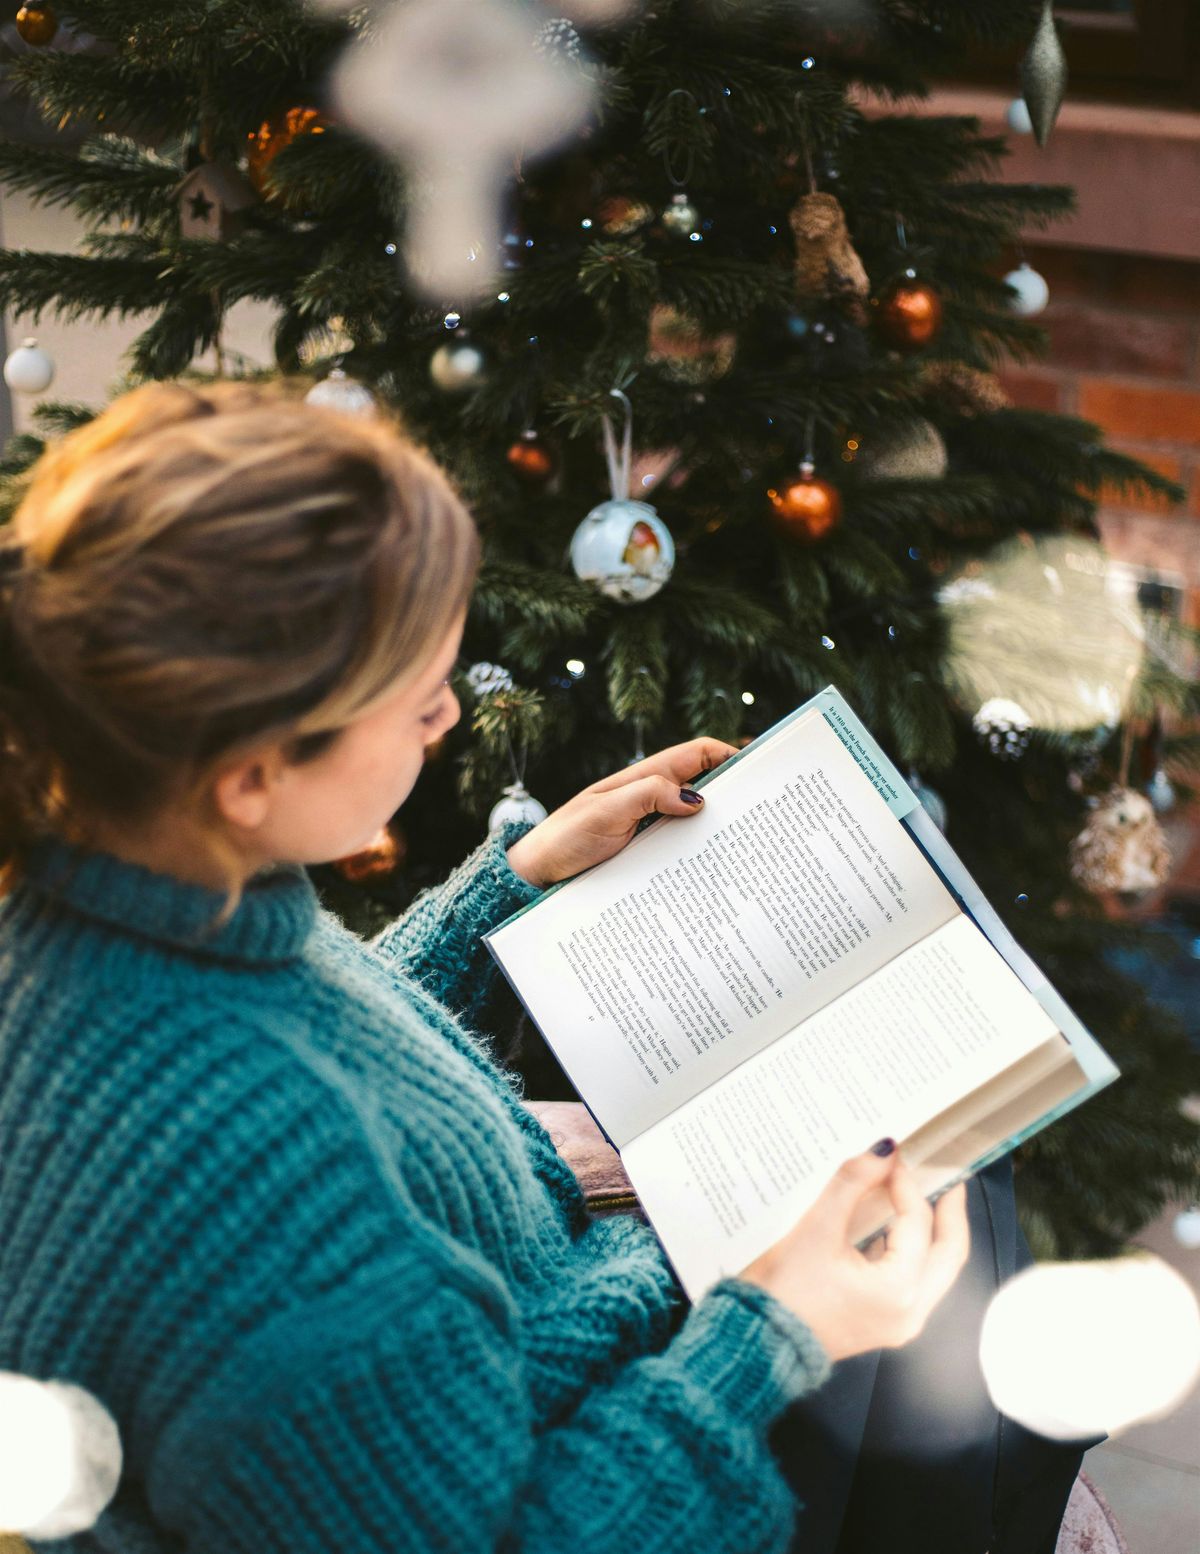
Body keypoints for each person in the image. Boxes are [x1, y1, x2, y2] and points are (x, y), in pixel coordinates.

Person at [0, 381, 972, 1554]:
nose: (451, 716)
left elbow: (315, 1036)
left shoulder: (126, 890)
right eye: (416, 701)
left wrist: (513, 887)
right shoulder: (258, 1186)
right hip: (606, 1413)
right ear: (251, 773)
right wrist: (771, 1329)